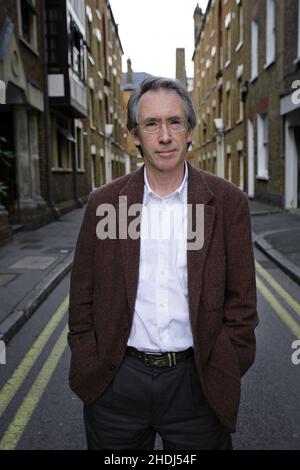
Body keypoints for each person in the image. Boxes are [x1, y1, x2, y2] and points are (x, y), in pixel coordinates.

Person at [68, 77, 258, 450]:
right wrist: (89, 360)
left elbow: (242, 303)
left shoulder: (227, 202)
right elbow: (82, 296)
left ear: (189, 132)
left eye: (175, 122)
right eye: (151, 124)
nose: (165, 135)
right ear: (136, 136)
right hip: (117, 384)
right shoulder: (107, 203)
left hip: (196, 385)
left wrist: (226, 364)